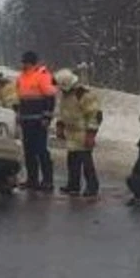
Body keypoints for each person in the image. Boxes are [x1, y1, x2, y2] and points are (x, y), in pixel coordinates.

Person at [52, 68, 102, 197]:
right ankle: (73, 185)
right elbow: (62, 112)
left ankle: (92, 187)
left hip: (83, 133)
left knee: (86, 162)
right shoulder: (65, 96)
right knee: (72, 161)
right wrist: (60, 126)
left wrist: (91, 135)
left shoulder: (84, 95)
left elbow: (94, 116)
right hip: (72, 133)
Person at [14, 50, 57, 192]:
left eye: (25, 62)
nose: (23, 65)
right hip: (26, 120)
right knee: (29, 151)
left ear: (31, 63)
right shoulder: (21, 77)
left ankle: (47, 180)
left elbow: (50, 98)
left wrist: (47, 117)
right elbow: (19, 98)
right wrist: (18, 114)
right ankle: (32, 180)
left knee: (41, 151)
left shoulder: (42, 75)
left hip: (39, 121)